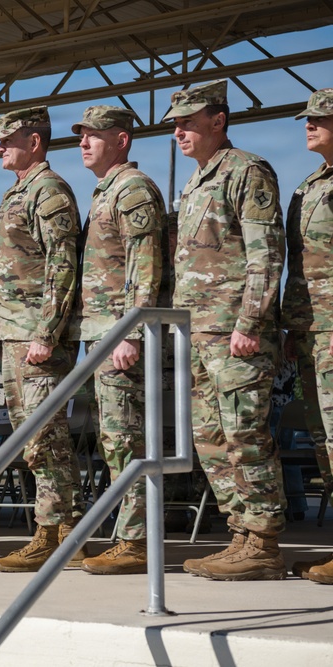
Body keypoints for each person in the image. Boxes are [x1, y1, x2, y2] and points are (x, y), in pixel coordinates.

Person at [165, 80, 287, 581]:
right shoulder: (196, 181)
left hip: (234, 333)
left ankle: (263, 540)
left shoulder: (247, 171)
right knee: (209, 436)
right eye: (175, 124)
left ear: (219, 121)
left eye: (189, 122)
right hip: (199, 332)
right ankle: (239, 532)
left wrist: (251, 322)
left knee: (244, 432)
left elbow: (266, 254)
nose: (179, 131)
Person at [0, 106, 88, 573]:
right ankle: (61, 532)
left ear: (35, 141)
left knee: (46, 439)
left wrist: (47, 333)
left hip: (35, 339)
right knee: (33, 440)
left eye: (7, 139)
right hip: (13, 337)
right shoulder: (18, 192)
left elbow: (61, 266)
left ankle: (57, 532)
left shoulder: (49, 192)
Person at [66, 106, 166, 575]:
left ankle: (136, 540)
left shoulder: (132, 190)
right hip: (103, 336)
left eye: (94, 136)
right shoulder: (105, 192)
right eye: (81, 136)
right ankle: (129, 534)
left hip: (119, 337)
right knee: (115, 438)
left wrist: (131, 332)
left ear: (122, 139)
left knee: (127, 437)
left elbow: (144, 266)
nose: (84, 144)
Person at [281, 88, 333, 583]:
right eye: (307, 117)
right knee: (324, 440)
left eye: (320, 118)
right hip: (311, 330)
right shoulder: (309, 186)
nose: (308, 124)